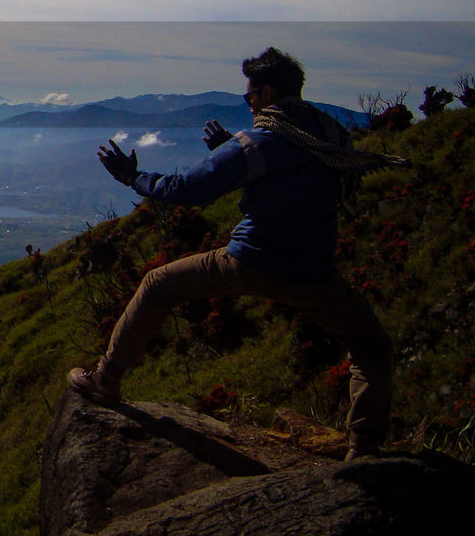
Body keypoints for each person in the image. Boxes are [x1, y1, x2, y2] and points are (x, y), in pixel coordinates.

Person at [69, 47, 404, 460]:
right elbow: (295, 182)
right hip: (314, 272)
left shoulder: (261, 141)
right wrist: (228, 147)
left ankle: (106, 379)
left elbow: (184, 191)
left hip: (252, 261)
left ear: (266, 92)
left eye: (249, 97)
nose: (247, 105)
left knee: (158, 283)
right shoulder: (328, 136)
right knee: (370, 345)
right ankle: (365, 448)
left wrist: (131, 176)